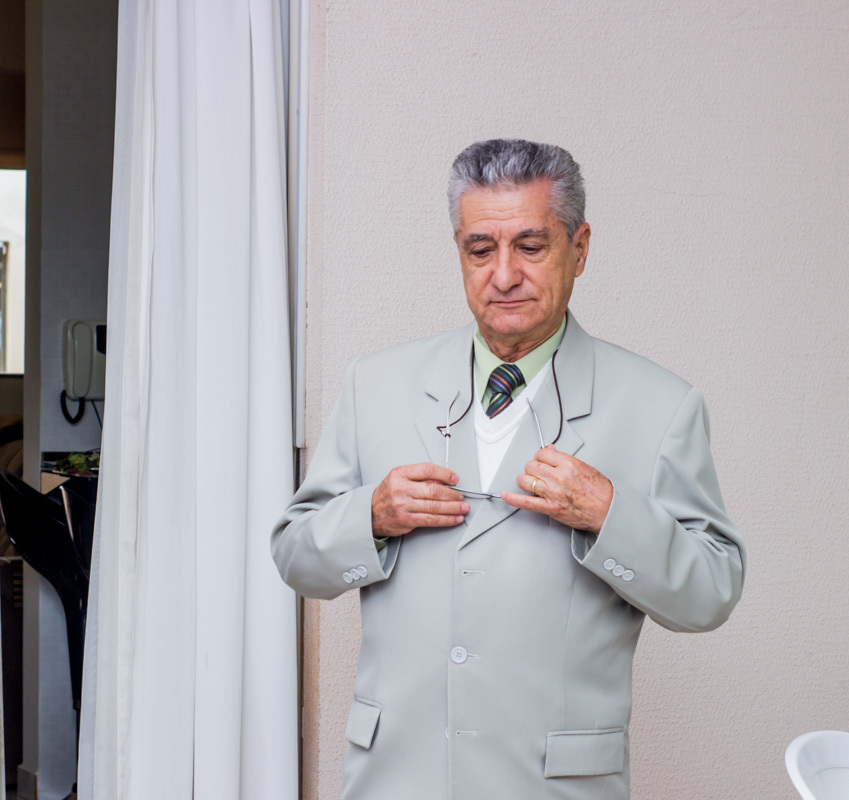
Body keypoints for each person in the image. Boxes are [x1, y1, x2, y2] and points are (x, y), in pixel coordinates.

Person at [271, 139, 745, 800]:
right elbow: (296, 557)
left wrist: (613, 517)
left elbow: (711, 593)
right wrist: (370, 517)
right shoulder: (374, 384)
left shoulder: (662, 406)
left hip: (553, 786)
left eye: (530, 246)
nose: (503, 275)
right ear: (459, 252)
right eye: (480, 249)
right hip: (395, 780)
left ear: (579, 249)